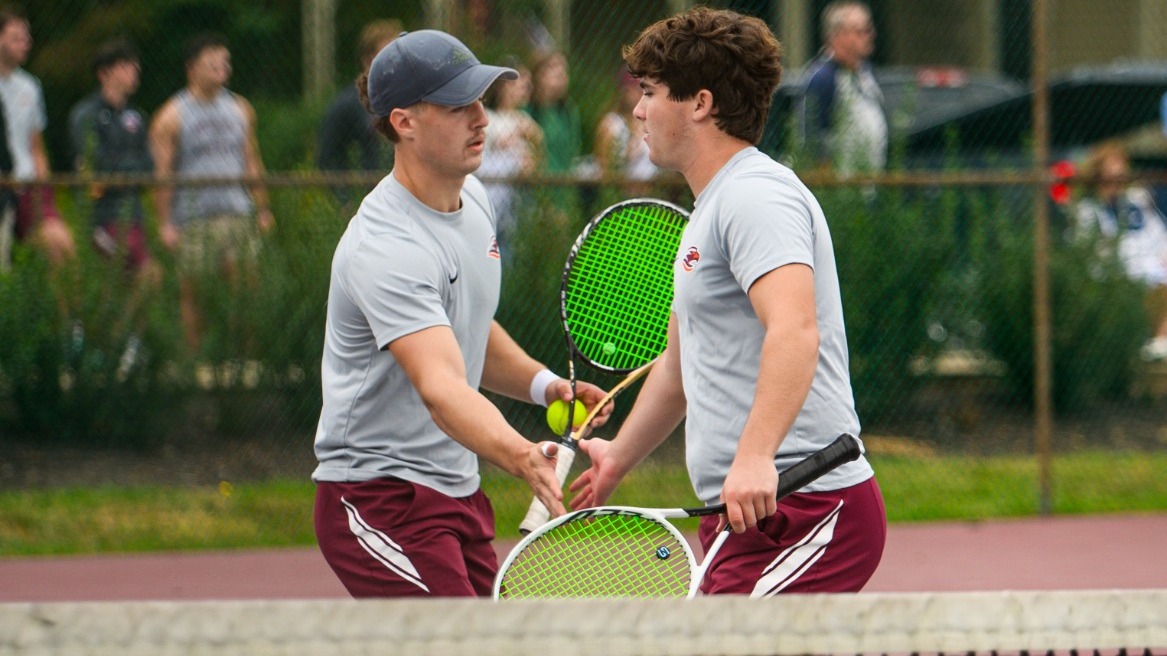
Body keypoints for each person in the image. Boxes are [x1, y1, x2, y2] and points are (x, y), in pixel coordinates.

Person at [568, 6, 886, 596]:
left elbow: (794, 330)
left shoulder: (755, 197)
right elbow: (678, 364)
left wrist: (756, 456)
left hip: (809, 506)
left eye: (651, 92)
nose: (637, 109)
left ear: (700, 103)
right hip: (748, 513)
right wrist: (619, 458)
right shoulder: (710, 208)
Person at [312, 29, 613, 598]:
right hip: (378, 496)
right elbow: (442, 385)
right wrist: (522, 455)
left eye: (481, 99)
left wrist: (546, 386)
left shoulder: (471, 199)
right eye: (457, 106)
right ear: (403, 122)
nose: (481, 118)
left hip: (457, 492)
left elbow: (465, 326)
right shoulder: (387, 245)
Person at [149, 32, 274, 352]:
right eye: (212, 62)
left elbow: (251, 161)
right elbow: (161, 174)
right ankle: (196, 364)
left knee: (246, 287)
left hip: (237, 213)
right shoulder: (171, 116)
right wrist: (165, 223)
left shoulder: (240, 109)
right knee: (194, 294)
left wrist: (262, 209)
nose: (222, 68)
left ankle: (246, 359)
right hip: (194, 219)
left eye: (225, 61)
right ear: (192, 68)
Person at [68, 38, 158, 377]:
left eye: (135, 65)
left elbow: (149, 169)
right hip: (101, 218)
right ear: (105, 73)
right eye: (125, 65)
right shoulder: (85, 116)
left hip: (132, 215)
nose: (134, 71)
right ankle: (105, 348)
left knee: (138, 281)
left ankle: (119, 349)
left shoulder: (137, 117)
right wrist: (120, 170)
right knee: (134, 278)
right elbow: (96, 166)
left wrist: (121, 171)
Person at [1073, 143, 1167, 361]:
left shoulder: (1137, 205)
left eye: (1121, 176)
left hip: (1148, 273)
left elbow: (1160, 237)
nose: (1117, 183)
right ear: (1098, 177)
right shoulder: (1087, 212)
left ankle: (1159, 347)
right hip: (1110, 278)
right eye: (1111, 177)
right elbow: (1090, 256)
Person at [0, 7, 74, 268]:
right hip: (2, 187)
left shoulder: (30, 87)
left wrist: (44, 191)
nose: (26, 43)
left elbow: (36, 146)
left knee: (62, 246)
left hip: (27, 186)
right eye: (16, 37)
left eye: (27, 37)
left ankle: (61, 310)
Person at [316, 19, 401, 205]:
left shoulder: (408, 100)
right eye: (386, 54)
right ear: (368, 60)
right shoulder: (346, 105)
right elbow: (328, 155)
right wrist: (345, 200)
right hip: (368, 200)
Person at [797, 1, 886, 174]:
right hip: (840, 188)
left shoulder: (866, 73)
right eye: (862, 31)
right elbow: (812, 136)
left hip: (868, 184)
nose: (871, 35)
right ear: (839, 35)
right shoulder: (824, 78)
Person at [479, 56, 542, 243]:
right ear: (504, 86)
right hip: (492, 195)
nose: (526, 90)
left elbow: (539, 154)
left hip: (518, 197)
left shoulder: (526, 119)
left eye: (528, 85)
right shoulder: (487, 117)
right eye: (521, 84)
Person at [593, 68, 658, 193]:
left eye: (642, 89)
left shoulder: (651, 123)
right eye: (632, 88)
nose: (638, 93)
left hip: (651, 192)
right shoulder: (611, 124)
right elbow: (604, 169)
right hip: (622, 194)